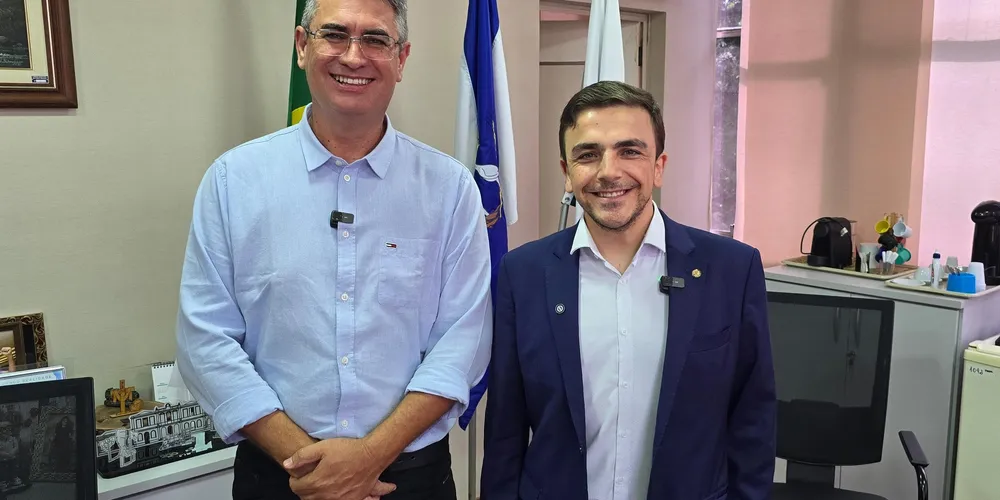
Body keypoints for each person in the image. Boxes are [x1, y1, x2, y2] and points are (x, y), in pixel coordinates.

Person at [174, 0, 493, 499]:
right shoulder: (233, 182)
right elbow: (205, 340)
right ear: (303, 47)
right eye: (335, 35)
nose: (353, 55)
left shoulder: (449, 190)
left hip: (407, 477)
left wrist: (367, 459)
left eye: (375, 39)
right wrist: (313, 467)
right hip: (280, 476)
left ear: (402, 58)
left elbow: (463, 339)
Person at [480, 81, 776, 500]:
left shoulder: (731, 269)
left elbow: (753, 420)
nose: (608, 172)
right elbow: (505, 429)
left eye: (630, 151)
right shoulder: (523, 273)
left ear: (658, 166)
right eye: (587, 154)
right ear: (567, 173)